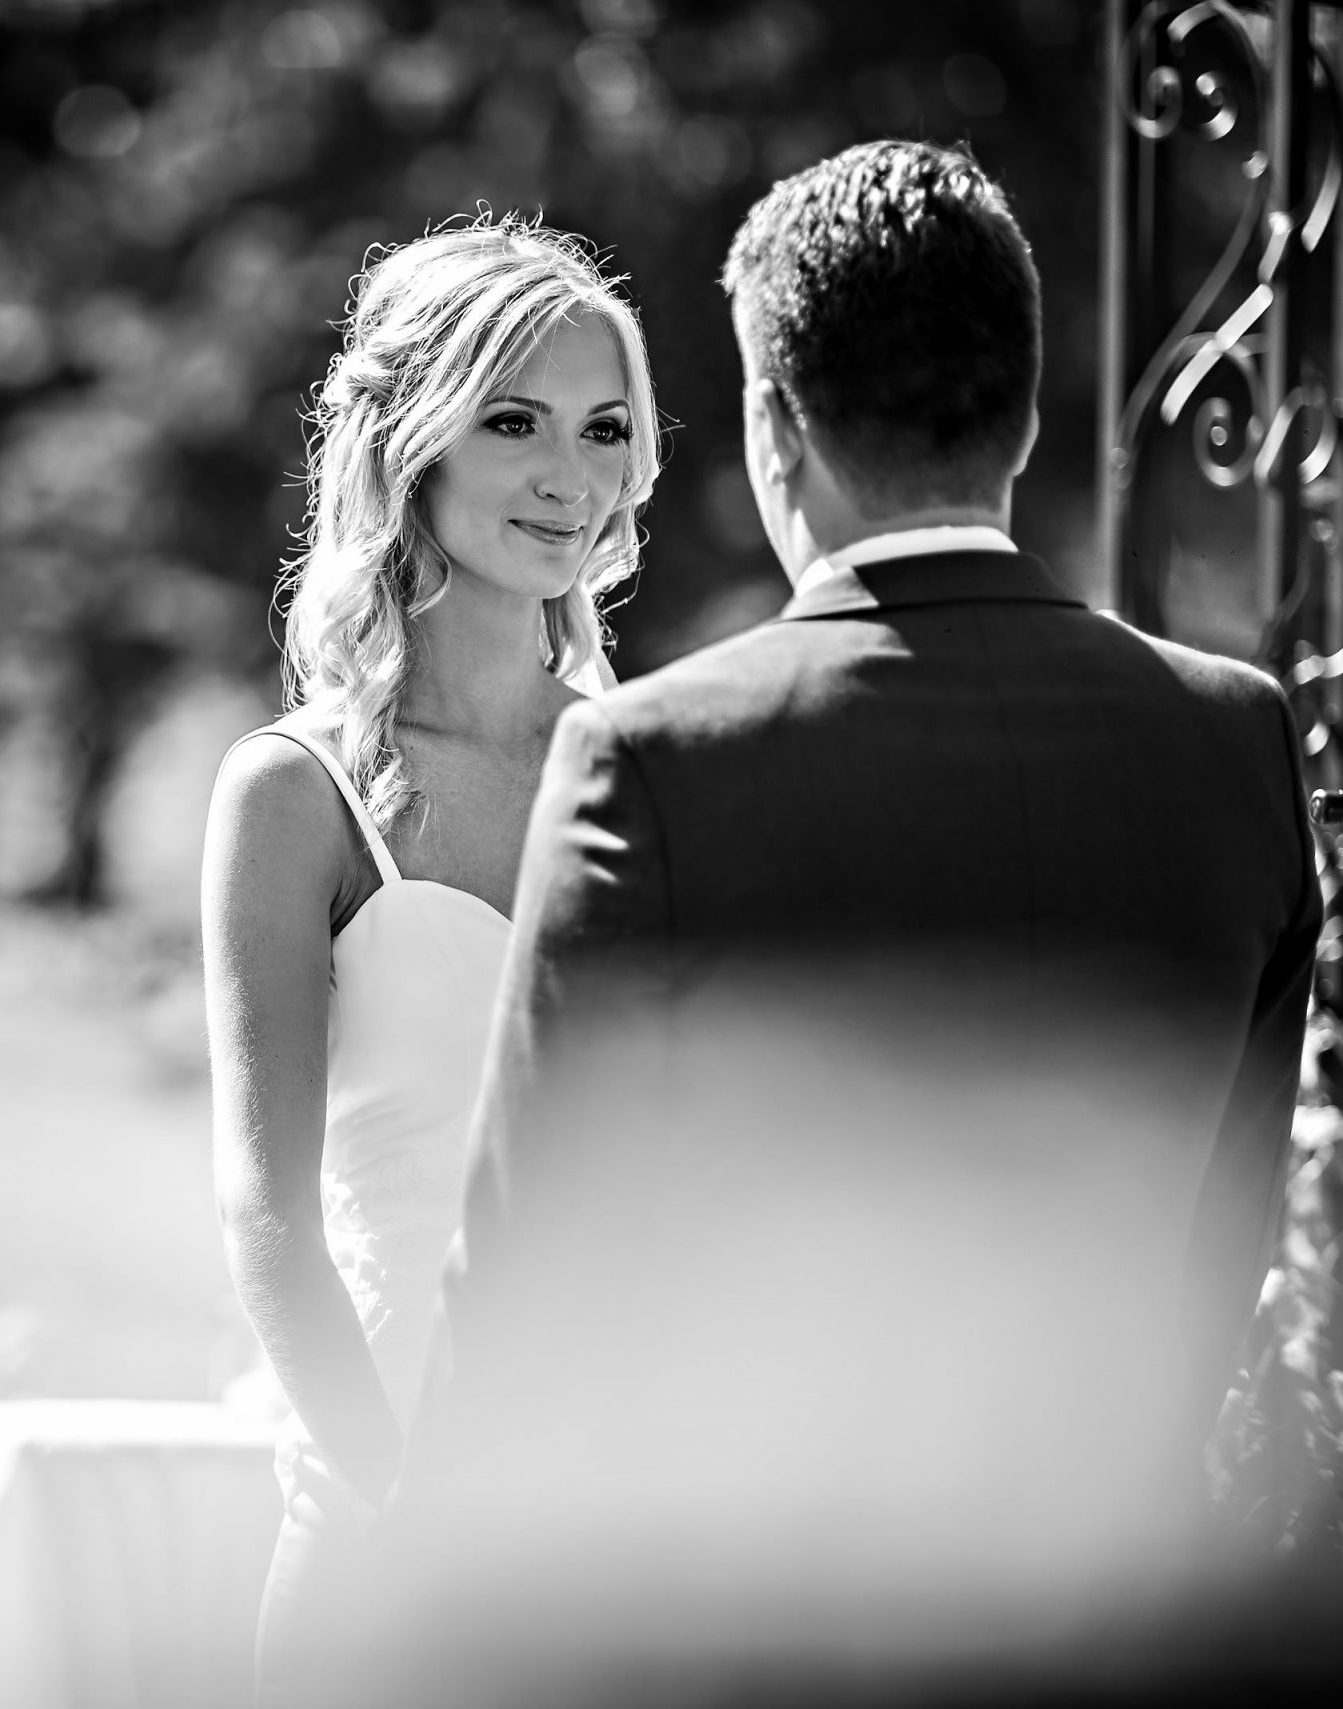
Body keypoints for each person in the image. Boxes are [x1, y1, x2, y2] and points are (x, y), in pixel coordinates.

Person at [385, 141, 1325, 1704]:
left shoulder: (657, 758)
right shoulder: (1232, 741)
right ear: (1026, 416)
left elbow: (537, 1282)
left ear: (771, 428)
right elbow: (1222, 1250)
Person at [199, 215, 659, 1704]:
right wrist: (406, 1504)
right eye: (514, 420)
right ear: (415, 441)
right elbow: (267, 1219)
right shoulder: (294, 793)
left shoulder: (656, 768)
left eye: (603, 430)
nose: (567, 477)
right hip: (386, 1510)